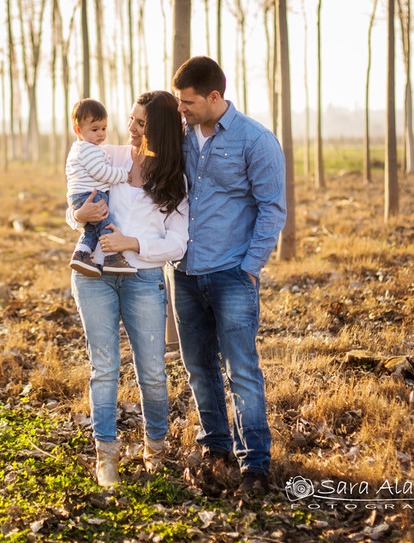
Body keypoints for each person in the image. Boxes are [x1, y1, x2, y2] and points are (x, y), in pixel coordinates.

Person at [171, 56, 286, 497]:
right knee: (199, 367)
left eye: (188, 102)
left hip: (232, 274)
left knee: (241, 370)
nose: (182, 109)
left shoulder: (255, 140)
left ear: (214, 97)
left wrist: (249, 268)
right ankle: (215, 446)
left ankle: (254, 464)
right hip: (184, 272)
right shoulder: (181, 139)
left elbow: (272, 209)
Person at [67, 90, 189, 487]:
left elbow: (178, 243)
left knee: (152, 372)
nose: (131, 128)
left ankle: (155, 448)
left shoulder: (174, 177)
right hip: (95, 277)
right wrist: (76, 214)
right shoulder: (110, 156)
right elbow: (78, 200)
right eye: (132, 120)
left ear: (162, 130)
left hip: (143, 279)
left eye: (141, 124)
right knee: (104, 369)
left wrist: (133, 243)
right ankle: (106, 456)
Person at [65, 98, 136, 277]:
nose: (101, 134)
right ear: (78, 130)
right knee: (106, 222)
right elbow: (100, 172)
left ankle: (81, 254)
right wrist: (123, 175)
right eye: (95, 129)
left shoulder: (86, 148)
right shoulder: (87, 149)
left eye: (104, 128)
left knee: (91, 230)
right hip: (90, 194)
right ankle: (112, 257)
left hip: (83, 195)